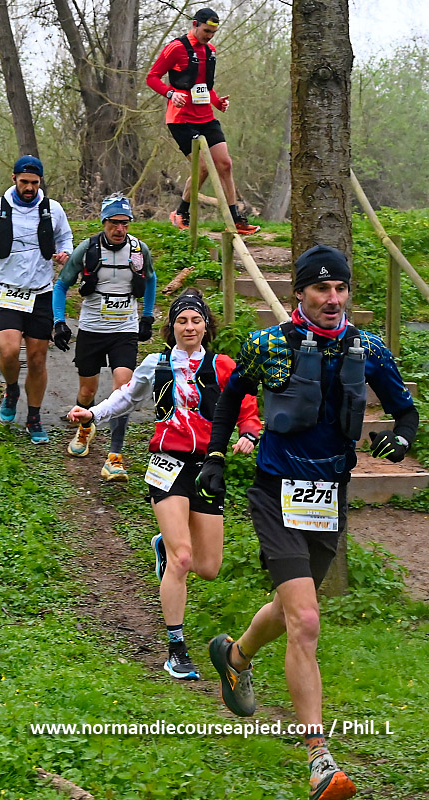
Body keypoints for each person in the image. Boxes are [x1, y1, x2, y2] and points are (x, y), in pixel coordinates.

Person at [196, 244, 419, 800]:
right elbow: (230, 397)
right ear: (299, 292)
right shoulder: (267, 344)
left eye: (340, 288)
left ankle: (235, 655)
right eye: (321, 288)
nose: (333, 298)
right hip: (275, 493)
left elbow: (406, 410)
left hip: (326, 497)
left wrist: (402, 439)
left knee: (291, 610)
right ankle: (320, 760)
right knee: (307, 620)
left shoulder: (368, 347)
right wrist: (216, 457)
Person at [68, 289, 261, 679]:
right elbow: (125, 398)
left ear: (206, 326)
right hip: (167, 464)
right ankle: (176, 650)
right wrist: (92, 414)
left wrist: (249, 433)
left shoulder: (222, 365)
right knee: (183, 559)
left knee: (208, 567)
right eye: (181, 321)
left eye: (196, 320)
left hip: (208, 467)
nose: (189, 327)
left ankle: (164, 546)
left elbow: (245, 403)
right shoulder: (156, 364)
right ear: (170, 328)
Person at [52, 194, 157, 483]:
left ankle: (115, 457)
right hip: (92, 330)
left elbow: (150, 279)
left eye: (125, 223)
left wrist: (147, 316)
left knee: (123, 388)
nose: (120, 229)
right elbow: (61, 285)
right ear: (103, 222)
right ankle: (85, 427)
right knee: (87, 391)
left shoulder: (139, 250)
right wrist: (59, 322)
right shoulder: (87, 249)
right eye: (114, 223)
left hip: (124, 330)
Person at [0, 155, 73, 444]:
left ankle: (34, 417)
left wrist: (64, 254)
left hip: (41, 293)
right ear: (13, 178)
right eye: (24, 182)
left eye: (34, 183)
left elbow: (65, 239)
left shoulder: (52, 209)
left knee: (38, 360)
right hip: (7, 290)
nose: (29, 188)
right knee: (9, 350)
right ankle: (12, 388)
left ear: (40, 182)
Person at [146, 7, 260, 236]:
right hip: (181, 119)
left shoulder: (210, 51)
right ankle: (181, 213)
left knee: (225, 164)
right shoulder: (176, 48)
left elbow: (205, 86)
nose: (209, 36)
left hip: (206, 117)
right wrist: (171, 94)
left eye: (213, 33)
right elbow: (152, 77)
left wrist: (218, 102)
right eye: (206, 31)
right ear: (195, 24)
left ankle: (236, 220)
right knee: (204, 167)